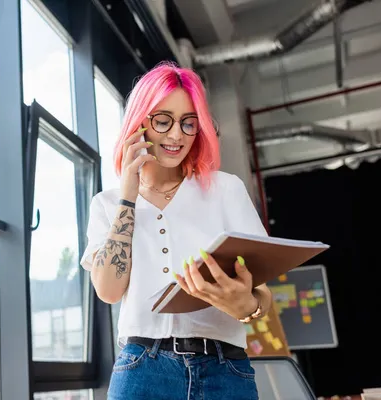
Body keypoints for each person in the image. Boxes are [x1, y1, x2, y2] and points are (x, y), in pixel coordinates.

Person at [79, 61, 272, 400]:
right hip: (142, 371)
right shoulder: (106, 204)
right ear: (139, 123)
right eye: (163, 120)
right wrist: (128, 194)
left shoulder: (225, 190)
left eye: (188, 123)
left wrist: (248, 306)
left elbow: (263, 294)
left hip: (224, 370)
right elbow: (108, 290)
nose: (175, 135)